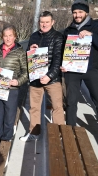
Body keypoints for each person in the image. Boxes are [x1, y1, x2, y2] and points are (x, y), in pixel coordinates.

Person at [60, 0, 98, 143]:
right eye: (74, 12)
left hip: (91, 70)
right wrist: (63, 64)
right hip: (72, 70)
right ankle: (70, 131)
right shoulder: (68, 30)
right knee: (71, 102)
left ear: (86, 12)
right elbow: (62, 51)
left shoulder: (97, 27)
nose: (77, 15)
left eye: (80, 12)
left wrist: (91, 36)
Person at [19, 11, 65, 142]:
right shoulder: (33, 36)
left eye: (47, 22)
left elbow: (58, 59)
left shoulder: (58, 37)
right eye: (42, 22)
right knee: (34, 108)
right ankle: (34, 133)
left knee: (57, 107)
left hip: (52, 79)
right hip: (35, 79)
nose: (44, 24)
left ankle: (59, 135)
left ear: (52, 22)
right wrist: (30, 50)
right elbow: (27, 57)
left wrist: (50, 75)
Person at [0, 26, 28, 141]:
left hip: (11, 90)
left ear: (15, 36)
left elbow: (26, 72)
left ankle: (6, 137)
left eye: (10, 36)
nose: (8, 38)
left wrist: (18, 81)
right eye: (5, 36)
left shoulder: (20, 52)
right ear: (2, 37)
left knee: (9, 116)